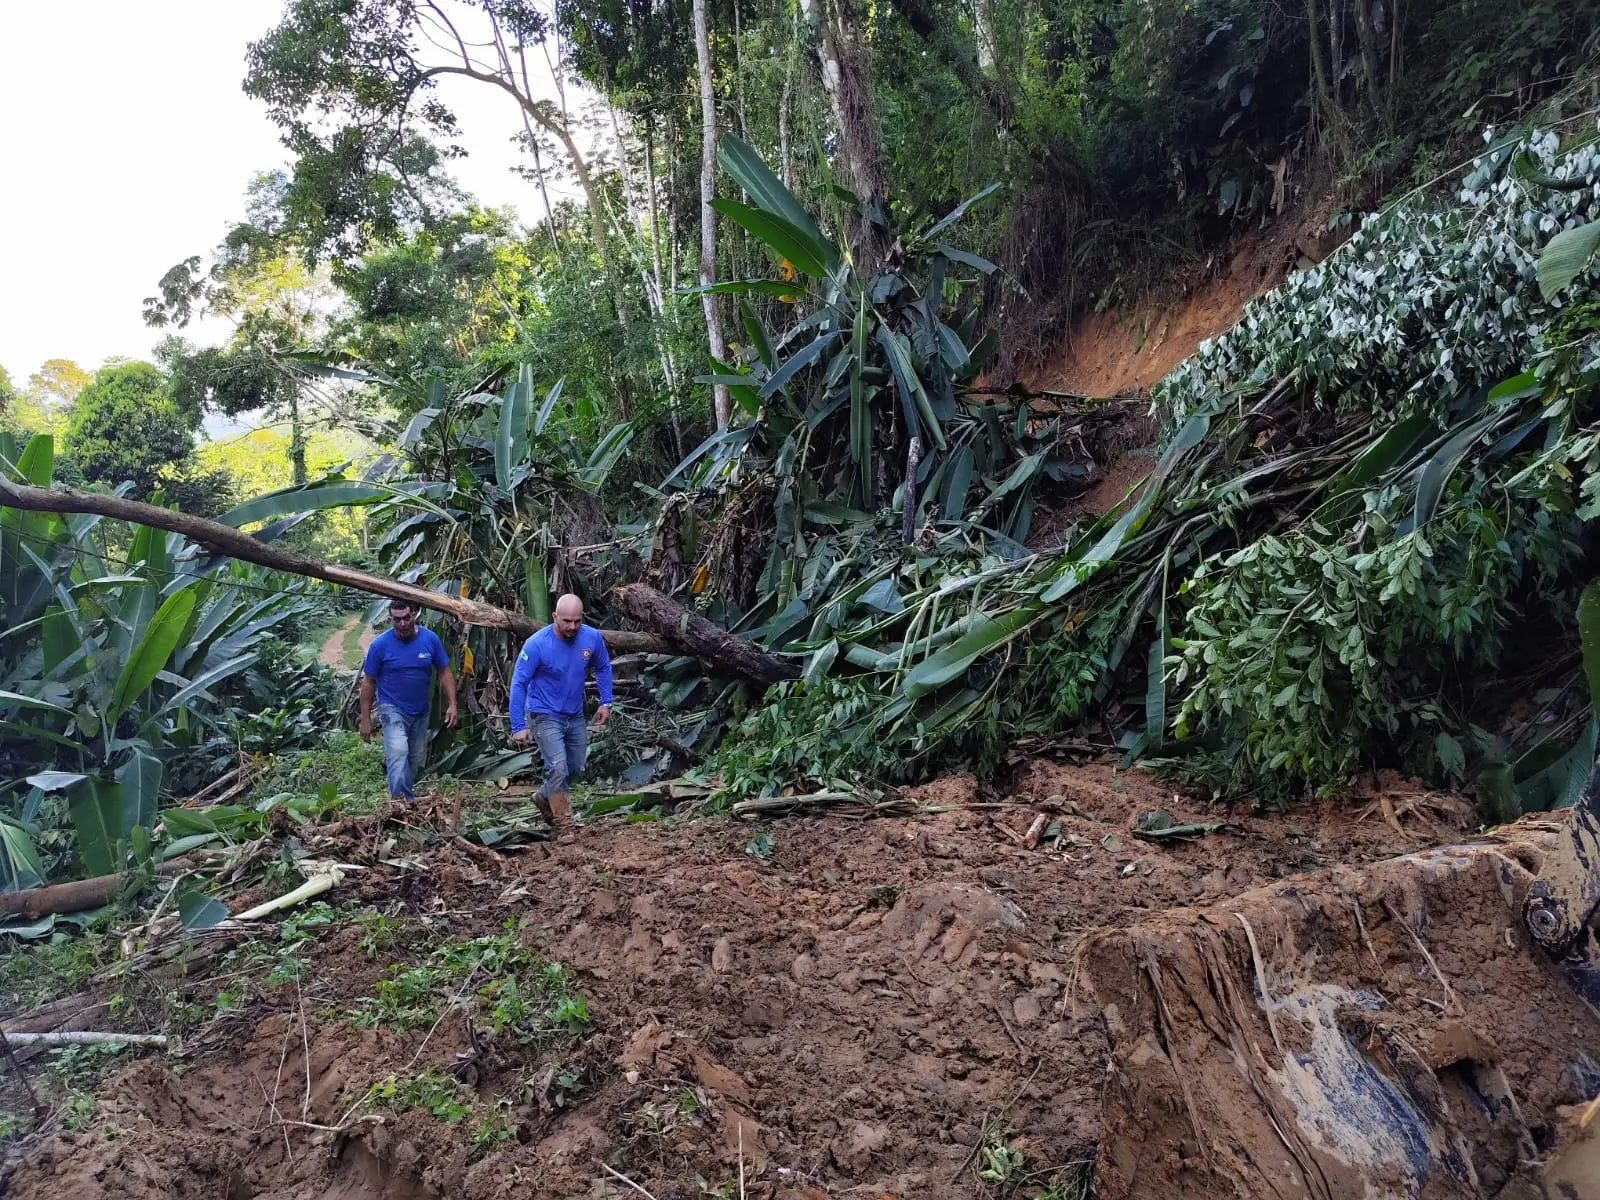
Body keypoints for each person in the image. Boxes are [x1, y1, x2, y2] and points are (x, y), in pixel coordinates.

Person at [508, 593, 613, 834]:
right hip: (543, 714)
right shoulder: (537, 645)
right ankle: (564, 825)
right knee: (557, 767)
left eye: (577, 621)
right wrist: (517, 725)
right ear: (554, 616)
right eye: (566, 621)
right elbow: (519, 683)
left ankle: (544, 797)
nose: (572, 627)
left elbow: (603, 667)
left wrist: (606, 702)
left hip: (574, 714)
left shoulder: (591, 638)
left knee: (575, 767)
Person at [358, 599, 459, 803]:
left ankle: (405, 797)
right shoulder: (380, 645)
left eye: (406, 618)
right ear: (390, 619)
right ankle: (400, 804)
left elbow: (445, 672)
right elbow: (368, 682)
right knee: (398, 751)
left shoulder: (430, 640)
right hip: (391, 708)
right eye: (397, 620)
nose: (402, 624)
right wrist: (366, 719)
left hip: (420, 711)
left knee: (414, 759)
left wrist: (452, 704)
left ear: (414, 614)